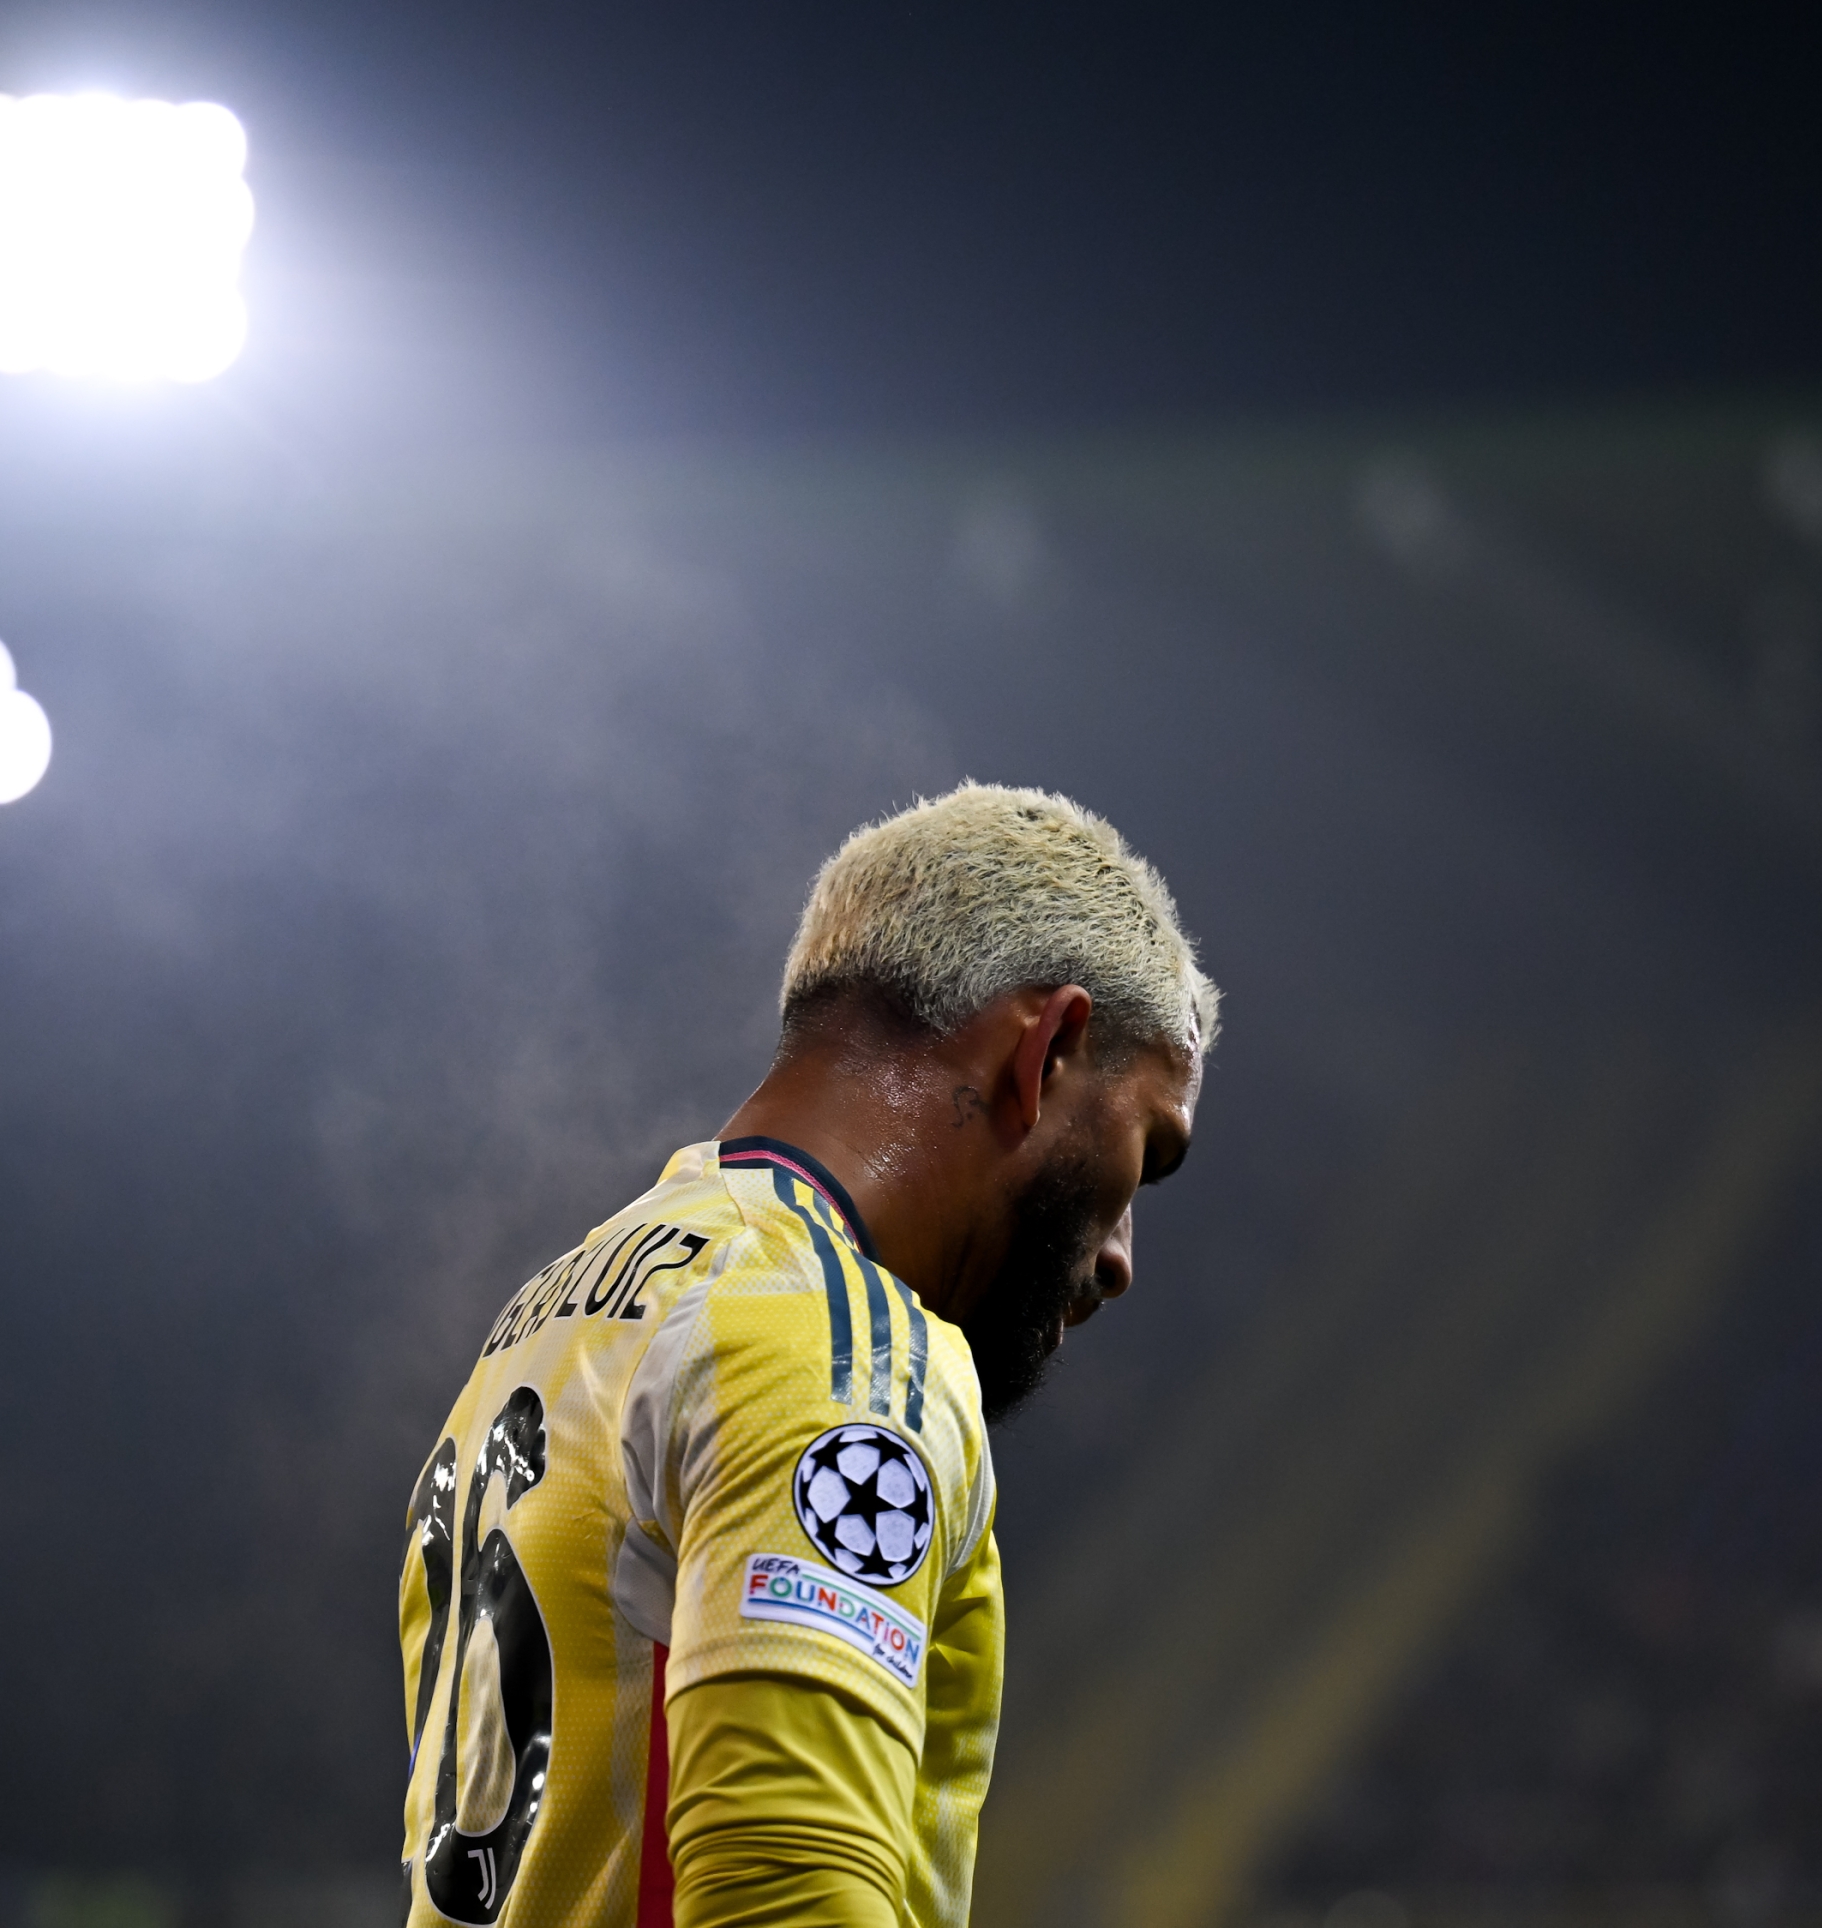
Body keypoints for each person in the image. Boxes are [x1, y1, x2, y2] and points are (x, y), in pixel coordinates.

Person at [396, 783, 1217, 1928]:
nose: (1121, 1253)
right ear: (1053, 1048)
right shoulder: (840, 1344)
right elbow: (786, 1897)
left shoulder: (554, 1315)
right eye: (1152, 1148)